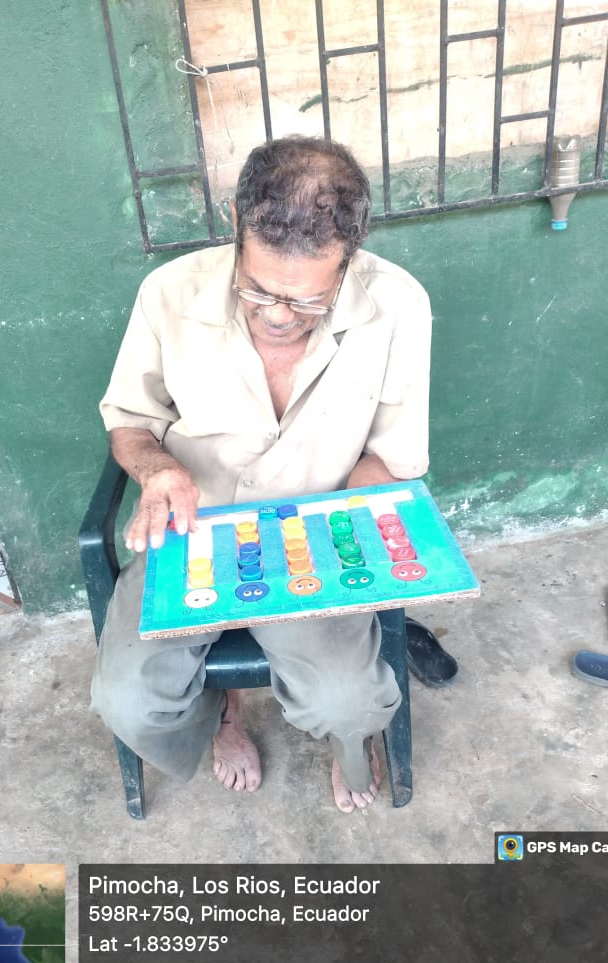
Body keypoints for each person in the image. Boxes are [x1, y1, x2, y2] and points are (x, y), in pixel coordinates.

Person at [91, 136, 432, 812]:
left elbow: (391, 454)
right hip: (191, 532)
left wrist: (363, 521)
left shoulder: (398, 305)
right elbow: (129, 421)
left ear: (350, 253)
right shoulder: (168, 294)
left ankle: (349, 745)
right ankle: (221, 715)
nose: (278, 316)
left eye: (307, 301)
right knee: (128, 701)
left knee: (348, 701)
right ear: (236, 224)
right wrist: (157, 470)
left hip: (311, 538)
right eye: (258, 289)